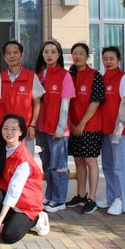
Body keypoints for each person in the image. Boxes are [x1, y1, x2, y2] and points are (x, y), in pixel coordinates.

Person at [0, 114, 50, 243]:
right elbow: (0, 172)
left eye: (14, 129)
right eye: (6, 128)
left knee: (9, 236)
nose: (9, 132)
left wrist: (0, 219)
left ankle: (38, 218)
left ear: (21, 132)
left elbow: (13, 192)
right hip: (14, 200)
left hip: (27, 203)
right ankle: (10, 221)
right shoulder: (5, 148)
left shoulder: (23, 159)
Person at [34, 40, 75, 213]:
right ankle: (50, 196)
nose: (49, 55)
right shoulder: (39, 74)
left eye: (53, 52)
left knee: (58, 165)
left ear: (59, 55)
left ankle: (59, 199)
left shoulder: (64, 75)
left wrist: (60, 127)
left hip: (57, 129)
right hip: (42, 128)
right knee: (47, 164)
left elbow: (65, 104)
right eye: (46, 52)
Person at [65, 43, 105, 215]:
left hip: (91, 126)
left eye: (81, 53)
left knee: (90, 160)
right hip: (74, 126)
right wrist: (73, 124)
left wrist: (82, 123)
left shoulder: (95, 75)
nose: (78, 56)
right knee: (78, 161)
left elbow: (95, 101)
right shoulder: (69, 75)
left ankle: (92, 198)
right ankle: (80, 195)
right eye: (75, 53)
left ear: (87, 56)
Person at [99, 46, 125, 216]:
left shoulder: (123, 78)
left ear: (119, 60)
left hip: (120, 131)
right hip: (105, 129)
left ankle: (122, 200)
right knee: (107, 165)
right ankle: (111, 196)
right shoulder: (103, 78)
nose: (108, 62)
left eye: (112, 59)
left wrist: (119, 129)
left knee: (119, 167)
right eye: (105, 59)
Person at [0, 41, 45, 152]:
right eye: (8, 53)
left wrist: (32, 125)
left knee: (25, 160)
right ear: (4, 57)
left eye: (15, 52)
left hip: (25, 130)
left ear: (22, 55)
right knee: (5, 160)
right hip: (4, 130)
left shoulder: (31, 76)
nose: (12, 56)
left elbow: (37, 103)